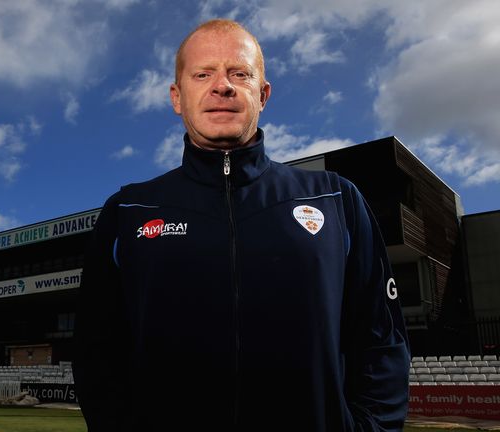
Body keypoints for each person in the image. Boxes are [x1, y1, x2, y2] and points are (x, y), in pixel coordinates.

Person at [74, 19, 409, 431]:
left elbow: (382, 342)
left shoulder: (335, 199)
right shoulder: (129, 210)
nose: (222, 86)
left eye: (240, 74)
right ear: (177, 97)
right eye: (203, 74)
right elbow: (96, 351)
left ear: (262, 94)